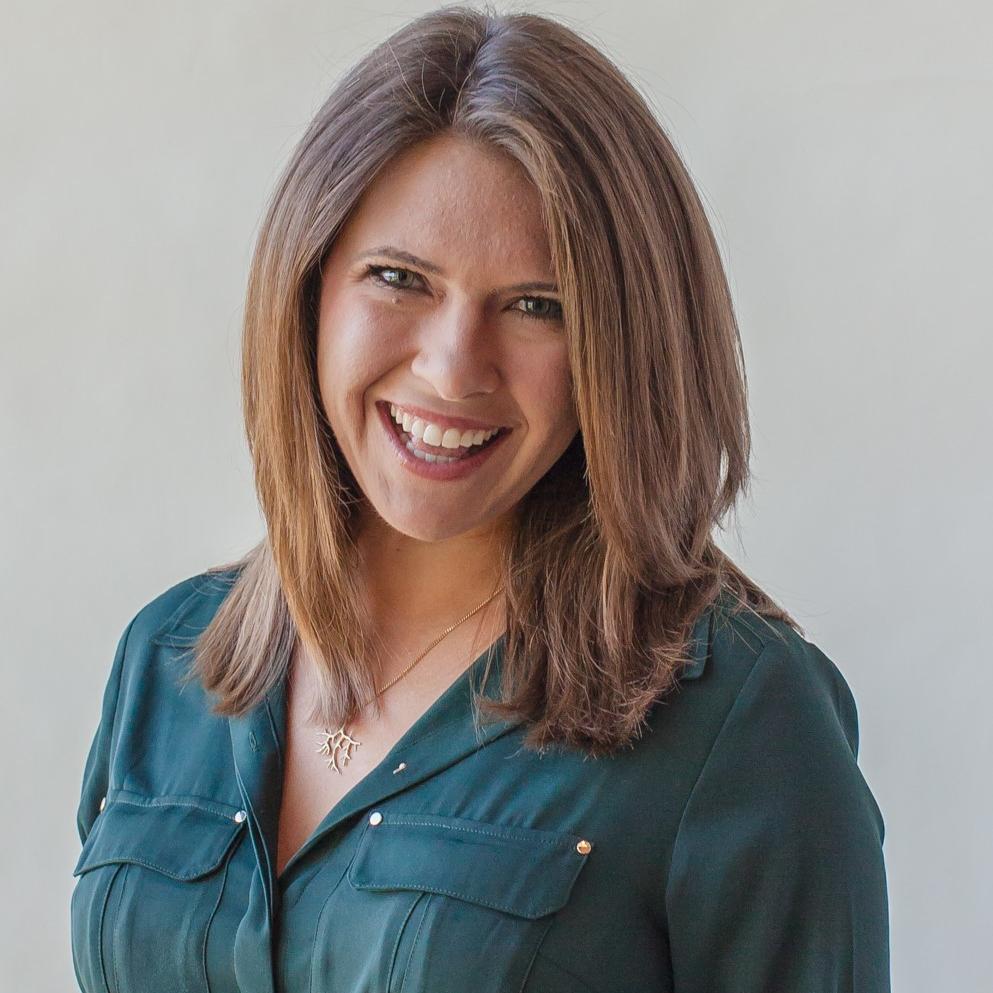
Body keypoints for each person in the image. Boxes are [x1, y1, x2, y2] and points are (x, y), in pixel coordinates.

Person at [70, 6, 891, 993]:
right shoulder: (162, 664)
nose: (454, 369)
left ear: (619, 350)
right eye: (399, 279)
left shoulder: (742, 723)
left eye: (538, 305)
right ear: (309, 290)